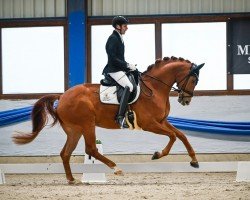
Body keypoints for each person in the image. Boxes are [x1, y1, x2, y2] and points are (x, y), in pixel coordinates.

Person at [102, 16, 137, 129]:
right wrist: (126, 65)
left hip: (118, 68)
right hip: (113, 69)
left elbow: (120, 58)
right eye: (125, 26)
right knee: (129, 86)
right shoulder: (113, 38)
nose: (126, 28)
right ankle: (120, 117)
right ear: (118, 26)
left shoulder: (119, 38)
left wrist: (128, 66)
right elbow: (113, 58)